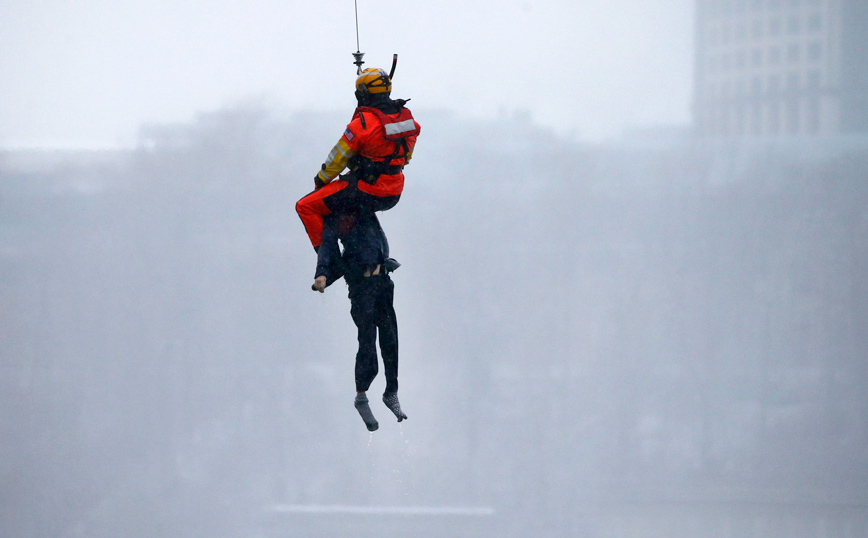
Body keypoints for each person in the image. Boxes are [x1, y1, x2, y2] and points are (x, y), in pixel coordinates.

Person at [296, 67, 420, 251]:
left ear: (363, 93)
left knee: (305, 206)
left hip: (366, 190)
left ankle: (329, 262)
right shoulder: (408, 121)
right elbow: (405, 158)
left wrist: (320, 181)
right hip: (394, 192)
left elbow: (337, 160)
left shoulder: (361, 124)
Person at [313, 207, 407, 431]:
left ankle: (390, 392)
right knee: (367, 340)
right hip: (361, 285)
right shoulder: (336, 214)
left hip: (383, 280)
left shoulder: (365, 204)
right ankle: (361, 394)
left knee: (390, 339)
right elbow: (327, 247)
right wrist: (322, 273)